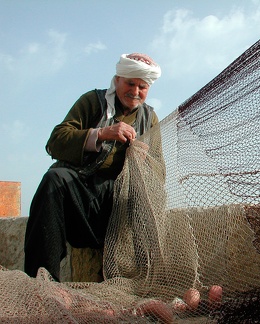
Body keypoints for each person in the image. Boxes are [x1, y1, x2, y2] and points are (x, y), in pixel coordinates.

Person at [24, 53, 163, 282]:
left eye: (142, 87)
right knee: (54, 180)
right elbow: (56, 141)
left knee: (148, 192)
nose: (135, 92)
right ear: (117, 79)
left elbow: (160, 172)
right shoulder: (92, 102)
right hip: (83, 195)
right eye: (130, 83)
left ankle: (143, 277)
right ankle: (41, 281)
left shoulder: (150, 119)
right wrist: (101, 134)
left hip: (117, 206)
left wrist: (143, 160)